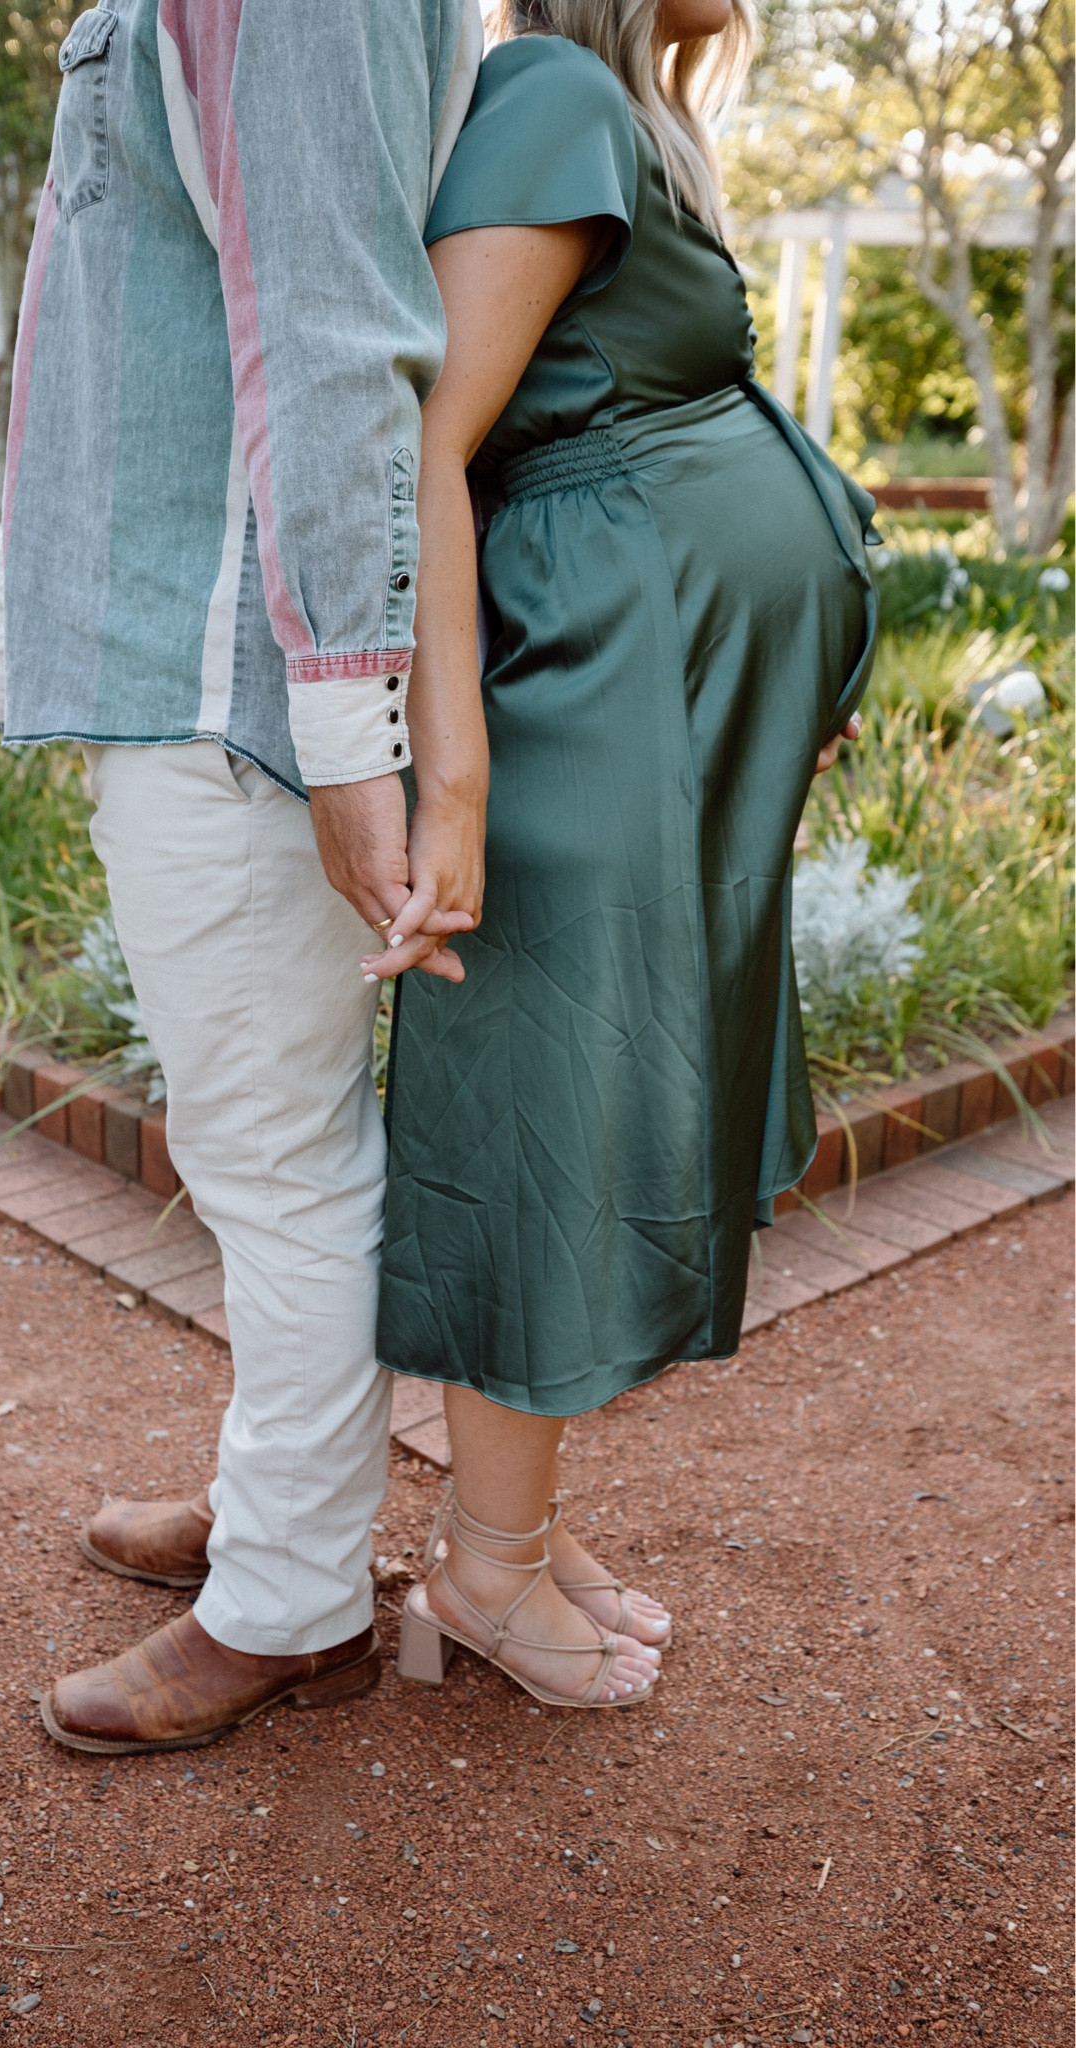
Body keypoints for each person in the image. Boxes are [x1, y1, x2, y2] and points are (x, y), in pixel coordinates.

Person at [0, 0, 486, 1754]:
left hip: (237, 680)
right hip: (199, 662)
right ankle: (281, 1503)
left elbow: (334, 344)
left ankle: (290, 1599)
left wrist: (346, 740)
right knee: (257, 1146)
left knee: (276, 1157)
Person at [363, 0, 878, 1709]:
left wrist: (788, 656)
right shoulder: (551, 88)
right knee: (546, 1112)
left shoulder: (610, 114)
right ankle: (482, 1581)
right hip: (587, 708)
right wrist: (453, 777)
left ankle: (509, 1529)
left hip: (652, 711)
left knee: (583, 1105)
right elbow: (426, 441)